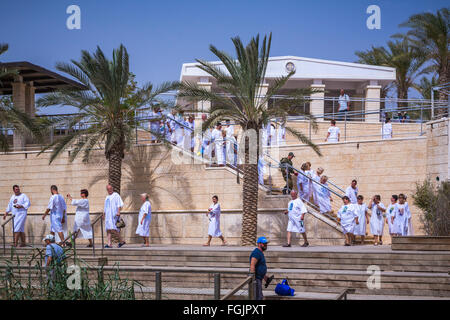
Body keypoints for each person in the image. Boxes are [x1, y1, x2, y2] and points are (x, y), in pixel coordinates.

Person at [249, 236, 270, 301]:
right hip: (256, 279)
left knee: (259, 296)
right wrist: (253, 279)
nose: (265, 245)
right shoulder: (256, 253)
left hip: (259, 278)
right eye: (264, 244)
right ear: (259, 244)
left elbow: (259, 266)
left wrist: (264, 276)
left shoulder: (260, 253)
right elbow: (252, 265)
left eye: (266, 243)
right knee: (258, 297)